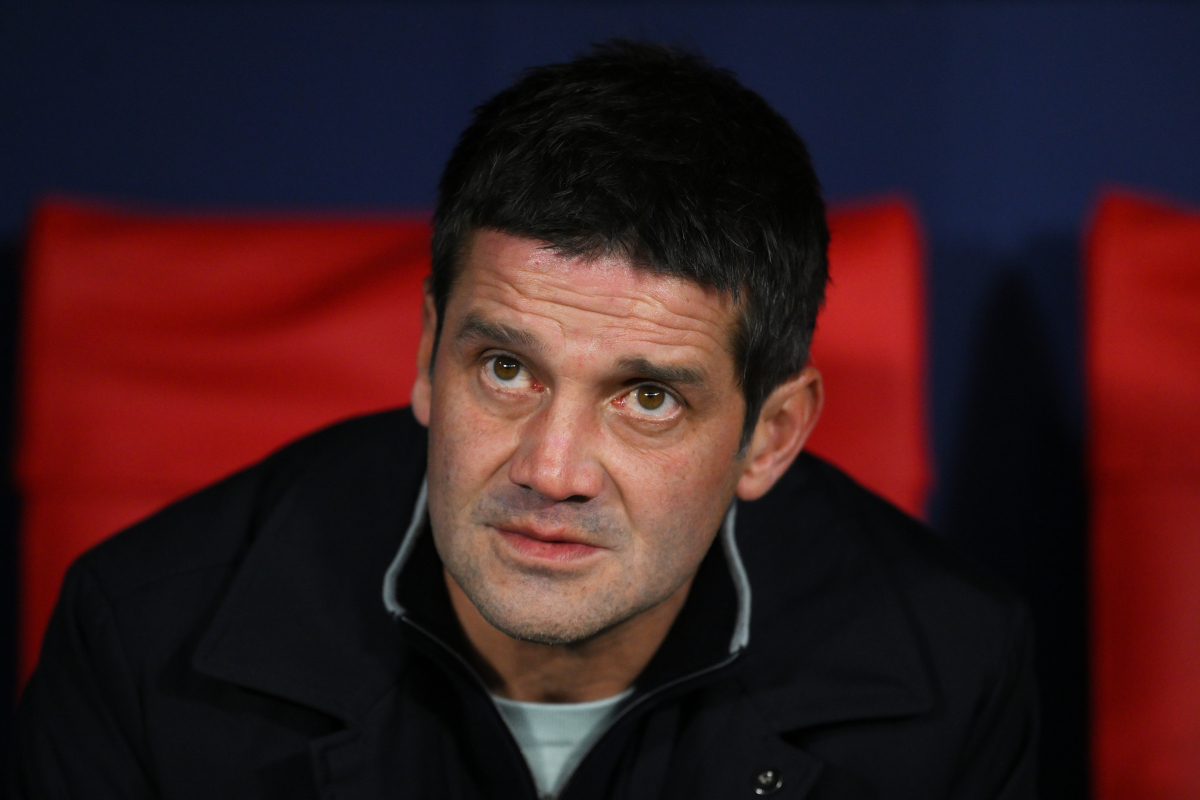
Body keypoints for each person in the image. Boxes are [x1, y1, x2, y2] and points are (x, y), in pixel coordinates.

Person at [12, 41, 1037, 799]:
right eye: (506, 369)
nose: (552, 469)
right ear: (428, 355)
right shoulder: (143, 638)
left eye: (647, 397)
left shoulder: (951, 673)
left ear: (770, 435)